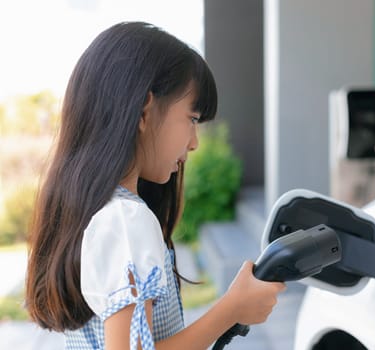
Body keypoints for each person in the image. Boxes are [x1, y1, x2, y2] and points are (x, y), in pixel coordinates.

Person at [25, 21, 285, 350]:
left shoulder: (96, 211)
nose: (194, 143)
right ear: (145, 110)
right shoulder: (126, 220)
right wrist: (231, 309)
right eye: (192, 119)